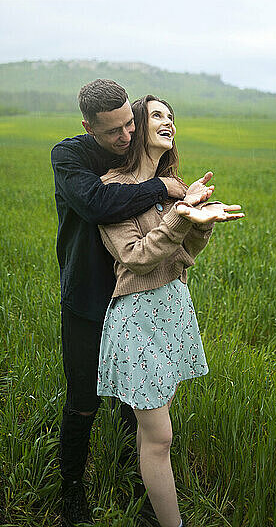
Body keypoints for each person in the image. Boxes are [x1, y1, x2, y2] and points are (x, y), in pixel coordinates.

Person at [51, 79, 214, 526]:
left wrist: (192, 216)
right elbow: (99, 204)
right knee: (84, 398)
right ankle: (71, 489)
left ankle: (141, 478)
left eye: (129, 124)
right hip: (89, 295)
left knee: (135, 403)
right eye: (114, 131)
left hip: (142, 298)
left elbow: (177, 251)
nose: (124, 137)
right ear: (89, 127)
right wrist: (166, 192)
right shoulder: (73, 157)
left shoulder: (138, 157)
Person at [96, 95, 244, 527]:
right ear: (136, 126)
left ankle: (150, 504)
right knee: (161, 436)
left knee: (151, 433)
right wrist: (180, 218)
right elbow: (135, 256)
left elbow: (180, 256)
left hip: (173, 309)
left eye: (171, 116)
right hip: (137, 318)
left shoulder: (173, 186)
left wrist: (201, 225)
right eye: (158, 115)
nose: (168, 122)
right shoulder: (112, 188)